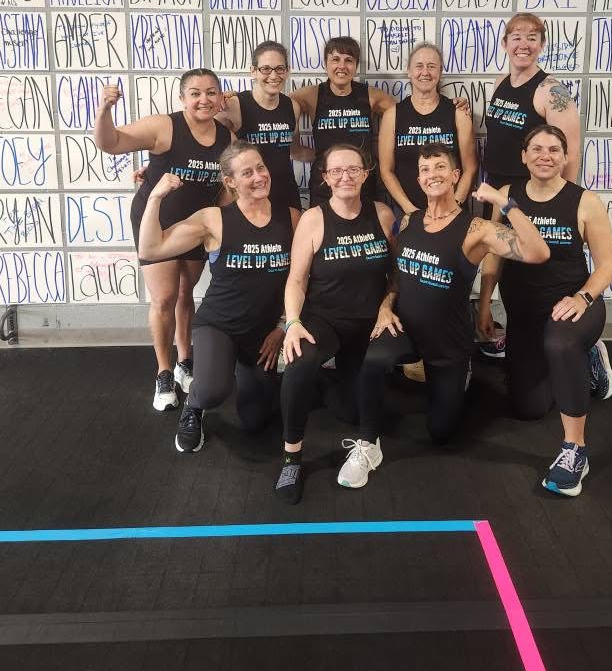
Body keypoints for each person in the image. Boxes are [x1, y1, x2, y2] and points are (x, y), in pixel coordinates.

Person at [336, 142, 550, 490]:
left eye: (439, 168)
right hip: (406, 327)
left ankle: (461, 375)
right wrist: (386, 306)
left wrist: (505, 203)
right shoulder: (409, 221)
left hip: (448, 341)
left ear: (455, 176)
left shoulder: (476, 228)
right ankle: (368, 444)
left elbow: (539, 252)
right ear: (418, 180)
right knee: (373, 358)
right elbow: (396, 273)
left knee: (441, 432)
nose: (431, 175)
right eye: (425, 170)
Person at [477, 125, 612, 497]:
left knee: (560, 344)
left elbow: (607, 265)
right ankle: (576, 364)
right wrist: (485, 303)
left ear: (566, 157)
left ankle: (575, 450)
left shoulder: (585, 201)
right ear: (523, 156)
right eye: (536, 149)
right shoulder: (507, 195)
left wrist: (583, 298)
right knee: (529, 408)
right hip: (524, 316)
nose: (545, 156)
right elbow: (494, 252)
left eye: (554, 149)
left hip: (572, 308)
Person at [137, 142, 301, 452]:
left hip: (262, 333)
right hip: (219, 325)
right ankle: (193, 407)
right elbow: (150, 249)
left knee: (255, 420)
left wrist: (283, 326)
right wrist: (155, 197)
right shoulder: (214, 219)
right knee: (212, 390)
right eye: (247, 173)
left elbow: (300, 278)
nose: (258, 177)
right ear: (230, 182)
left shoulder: (291, 218)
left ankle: (237, 367)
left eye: (261, 168)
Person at [94, 68, 233, 411]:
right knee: (164, 297)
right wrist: (105, 109)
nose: (204, 99)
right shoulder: (164, 126)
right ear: (182, 98)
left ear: (221, 98)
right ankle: (164, 372)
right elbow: (110, 143)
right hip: (156, 220)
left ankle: (185, 361)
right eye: (195, 93)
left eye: (211, 92)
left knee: (186, 292)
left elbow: (227, 187)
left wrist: (226, 224)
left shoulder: (227, 137)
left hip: (196, 225)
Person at [275, 143, 395, 504]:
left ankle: (325, 382)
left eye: (353, 169)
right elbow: (296, 280)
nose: (346, 176)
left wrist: (387, 304)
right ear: (325, 177)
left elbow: (397, 273)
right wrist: (293, 322)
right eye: (337, 171)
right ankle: (291, 459)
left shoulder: (382, 214)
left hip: (368, 325)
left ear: (366, 174)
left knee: (351, 412)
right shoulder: (314, 219)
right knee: (299, 363)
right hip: (324, 321)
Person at [479, 11, 582, 360]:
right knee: (503, 268)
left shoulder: (552, 91)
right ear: (505, 43)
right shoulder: (499, 82)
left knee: (537, 277)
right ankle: (515, 340)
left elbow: (569, 153)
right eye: (517, 37)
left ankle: (571, 346)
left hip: (532, 197)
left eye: (532, 38)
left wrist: (561, 205)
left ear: (542, 45)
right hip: (498, 191)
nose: (523, 44)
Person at [289, 36, 396, 206]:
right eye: (335, 59)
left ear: (356, 66)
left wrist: (382, 154)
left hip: (362, 184)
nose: (342, 66)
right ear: (326, 63)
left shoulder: (370, 96)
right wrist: (298, 149)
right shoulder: (313, 95)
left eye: (349, 60)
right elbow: (280, 107)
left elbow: (404, 115)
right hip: (325, 185)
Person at [378, 42, 477, 214]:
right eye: (419, 66)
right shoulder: (392, 115)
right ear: (409, 71)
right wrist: (410, 210)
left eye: (431, 66)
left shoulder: (458, 114)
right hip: (408, 212)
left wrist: (454, 206)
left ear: (440, 71)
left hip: (452, 212)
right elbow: (386, 170)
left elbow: (470, 168)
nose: (425, 72)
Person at [217, 41, 312, 212]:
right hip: (250, 195)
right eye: (266, 69)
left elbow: (295, 150)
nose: (273, 76)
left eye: (279, 69)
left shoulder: (292, 106)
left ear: (287, 71)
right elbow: (207, 144)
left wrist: (334, 159)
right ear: (253, 71)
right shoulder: (233, 106)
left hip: (286, 193)